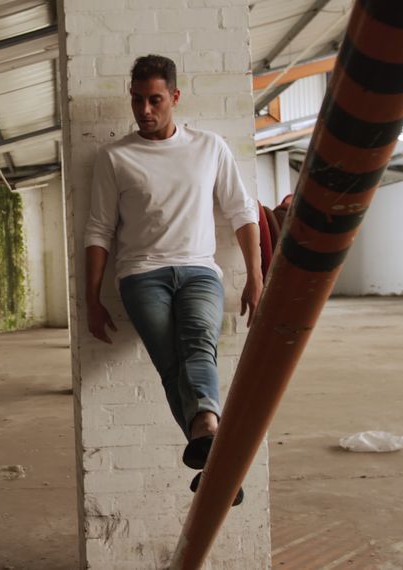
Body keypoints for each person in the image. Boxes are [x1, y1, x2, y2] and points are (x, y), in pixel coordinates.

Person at [83, 54, 262, 506]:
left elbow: (243, 213)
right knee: (172, 365)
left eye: (155, 100)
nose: (145, 110)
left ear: (175, 98)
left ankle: (205, 430)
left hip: (200, 270)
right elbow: (99, 229)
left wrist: (256, 278)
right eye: (137, 100)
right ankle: (218, 455)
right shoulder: (114, 156)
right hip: (141, 276)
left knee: (199, 344)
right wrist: (92, 297)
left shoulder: (209, 147)